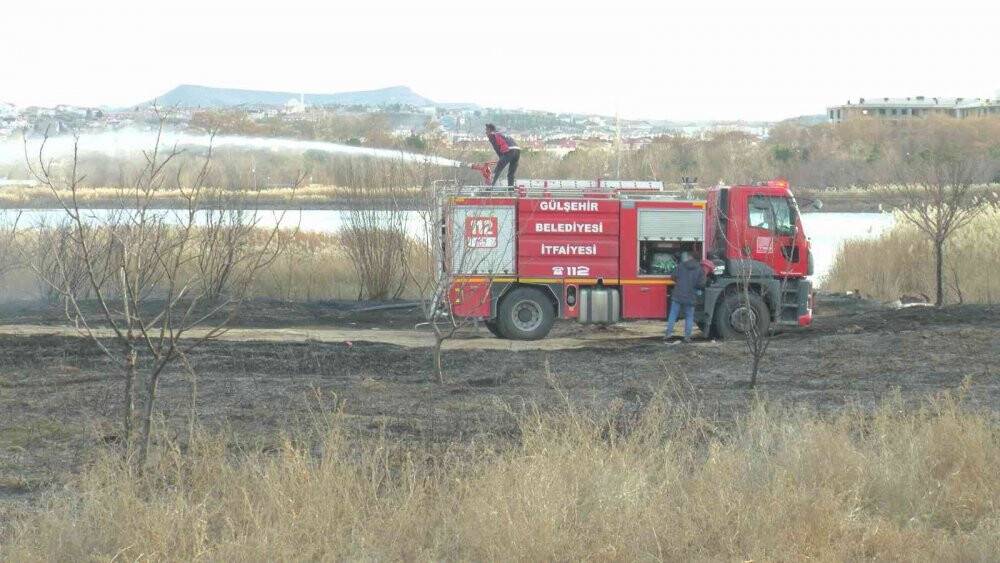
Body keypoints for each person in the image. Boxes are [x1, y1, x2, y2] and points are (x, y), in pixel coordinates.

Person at [665, 251, 706, 343]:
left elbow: (673, 277)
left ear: (690, 257)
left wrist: (679, 282)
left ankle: (668, 334)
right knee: (689, 317)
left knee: (673, 314)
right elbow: (702, 284)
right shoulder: (700, 269)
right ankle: (687, 337)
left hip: (678, 294)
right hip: (691, 296)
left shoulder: (681, 265)